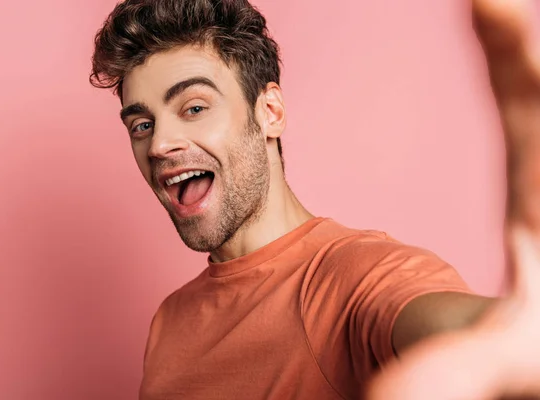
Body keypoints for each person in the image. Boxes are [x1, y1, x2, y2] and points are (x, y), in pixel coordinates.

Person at [90, 0, 540, 398]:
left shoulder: (356, 277)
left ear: (270, 112)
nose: (159, 145)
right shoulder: (169, 323)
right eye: (142, 125)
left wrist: (507, 335)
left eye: (194, 108)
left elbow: (443, 321)